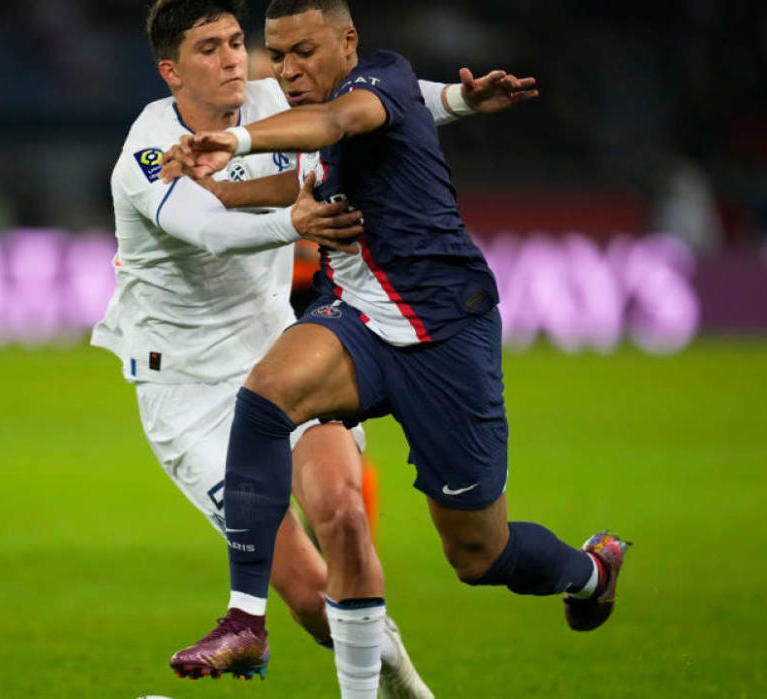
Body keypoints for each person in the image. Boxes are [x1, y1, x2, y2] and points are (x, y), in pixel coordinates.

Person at [165, 2, 629, 696]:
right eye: (279, 55)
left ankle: (592, 571)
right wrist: (219, 192)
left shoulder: (380, 83)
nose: (289, 71)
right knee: (264, 397)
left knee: (479, 553)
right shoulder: (329, 108)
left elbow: (332, 124)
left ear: (348, 42)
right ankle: (246, 618)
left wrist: (233, 143)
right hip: (356, 321)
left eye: (304, 52)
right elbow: (307, 177)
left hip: (446, 335)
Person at [94, 1, 538, 695]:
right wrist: (293, 222)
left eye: (236, 42)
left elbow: (373, 103)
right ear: (171, 72)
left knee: (345, 516)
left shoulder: (275, 99)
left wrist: (457, 100)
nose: (234, 59)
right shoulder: (149, 149)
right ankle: (396, 680)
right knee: (308, 591)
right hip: (188, 392)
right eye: (209, 49)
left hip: (283, 354)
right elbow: (207, 227)